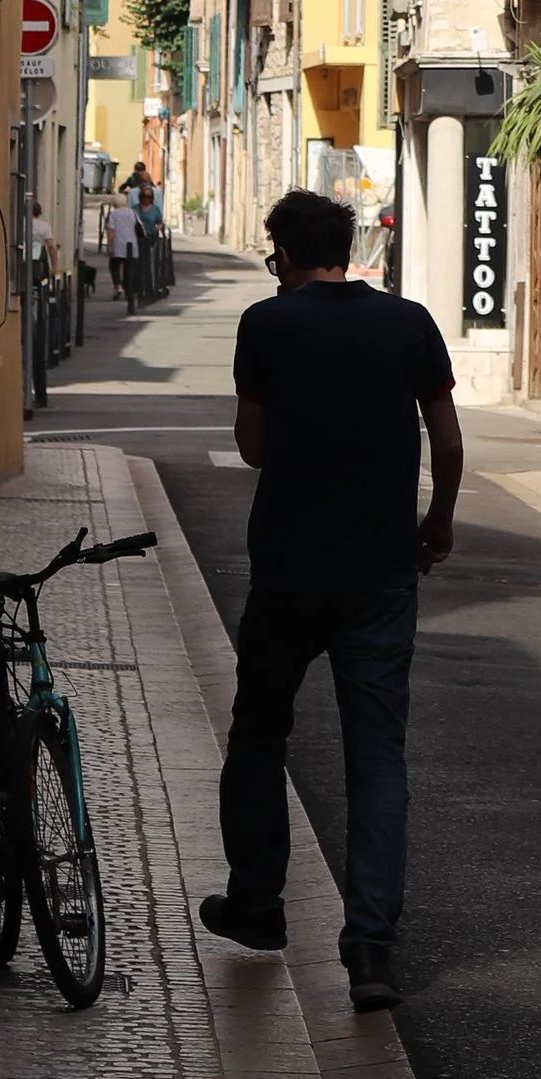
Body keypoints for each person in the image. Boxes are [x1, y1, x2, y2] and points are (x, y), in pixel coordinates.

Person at [200, 187, 461, 1011]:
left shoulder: (267, 325)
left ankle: (258, 906)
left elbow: (251, 446)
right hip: (381, 576)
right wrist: (436, 523)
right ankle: (372, 952)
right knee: (377, 756)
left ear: (281, 251)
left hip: (287, 571)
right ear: (350, 248)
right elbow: (448, 442)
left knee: (259, 734)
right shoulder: (409, 322)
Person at [102, 188, 140, 311]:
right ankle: (130, 289)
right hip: (132, 244)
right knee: (130, 267)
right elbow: (139, 227)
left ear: (114, 203)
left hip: (118, 243)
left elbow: (111, 231)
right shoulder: (133, 212)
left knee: (114, 265)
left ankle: (118, 286)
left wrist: (110, 246)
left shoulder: (113, 214)